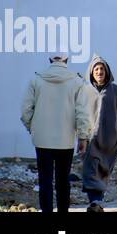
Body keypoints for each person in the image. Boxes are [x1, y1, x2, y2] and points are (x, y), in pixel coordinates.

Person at [20, 54, 93, 213]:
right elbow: (82, 113)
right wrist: (83, 137)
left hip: (42, 140)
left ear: (50, 60)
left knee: (45, 180)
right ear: (67, 61)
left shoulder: (36, 80)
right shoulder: (77, 82)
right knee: (62, 180)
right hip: (65, 140)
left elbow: (26, 111)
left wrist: (33, 127)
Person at [79, 55, 117, 212]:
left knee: (104, 170)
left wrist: (112, 127)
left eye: (102, 69)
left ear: (107, 72)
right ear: (91, 73)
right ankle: (95, 201)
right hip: (92, 139)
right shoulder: (85, 91)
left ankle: (97, 201)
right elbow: (81, 114)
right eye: (96, 69)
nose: (99, 72)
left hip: (110, 140)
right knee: (90, 170)